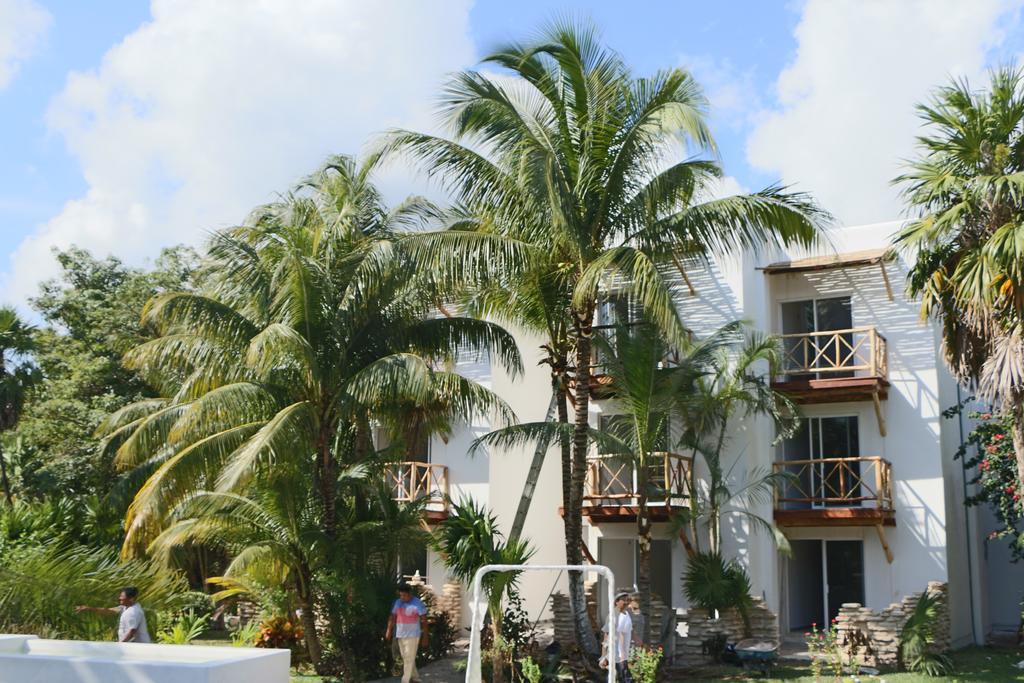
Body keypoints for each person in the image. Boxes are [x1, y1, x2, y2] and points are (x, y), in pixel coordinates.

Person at [385, 582, 428, 683]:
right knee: (406, 658)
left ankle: (405, 680)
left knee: (408, 658)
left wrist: (425, 637)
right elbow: (392, 616)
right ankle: (416, 678)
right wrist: (388, 630)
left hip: (413, 635)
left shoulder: (417, 603)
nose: (402, 597)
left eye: (404, 595)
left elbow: (424, 621)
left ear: (410, 594)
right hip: (400, 634)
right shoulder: (398, 602)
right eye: (400, 595)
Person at [75, 586, 151, 643]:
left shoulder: (134, 612)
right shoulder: (124, 607)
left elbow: (132, 632)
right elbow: (109, 611)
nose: (119, 598)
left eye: (122, 596)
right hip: (129, 645)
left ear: (131, 599)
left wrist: (120, 644)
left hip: (138, 647)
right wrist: (89, 608)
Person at [600, 592, 633, 682]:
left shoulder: (626, 613)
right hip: (617, 652)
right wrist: (603, 654)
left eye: (627, 600)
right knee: (624, 678)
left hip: (623, 652)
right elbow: (607, 634)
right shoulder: (613, 615)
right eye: (623, 600)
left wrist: (638, 640)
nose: (626, 602)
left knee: (618, 676)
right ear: (616, 602)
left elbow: (628, 630)